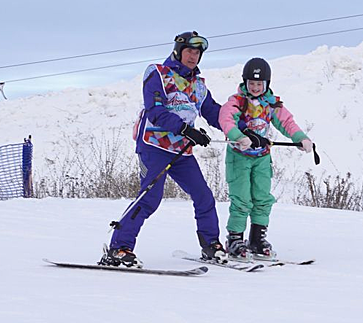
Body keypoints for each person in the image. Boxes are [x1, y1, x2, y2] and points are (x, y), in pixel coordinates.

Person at [99, 31, 227, 268]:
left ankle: (211, 245)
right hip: (154, 146)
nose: (193, 56)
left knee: (203, 195)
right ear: (178, 51)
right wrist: (186, 130)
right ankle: (119, 248)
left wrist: (240, 130)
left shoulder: (198, 85)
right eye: (189, 51)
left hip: (181, 151)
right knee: (150, 198)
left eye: (197, 53)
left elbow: (213, 113)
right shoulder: (157, 73)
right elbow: (155, 111)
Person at [218, 57, 313, 262]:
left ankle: (257, 239)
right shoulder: (237, 102)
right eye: (251, 83)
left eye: (259, 84)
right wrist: (238, 136)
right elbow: (226, 119)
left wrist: (301, 138)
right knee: (242, 199)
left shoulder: (270, 104)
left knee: (262, 198)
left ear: (266, 84)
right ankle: (235, 239)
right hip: (239, 158)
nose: (254, 87)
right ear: (245, 83)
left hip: (261, 158)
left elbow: (287, 122)